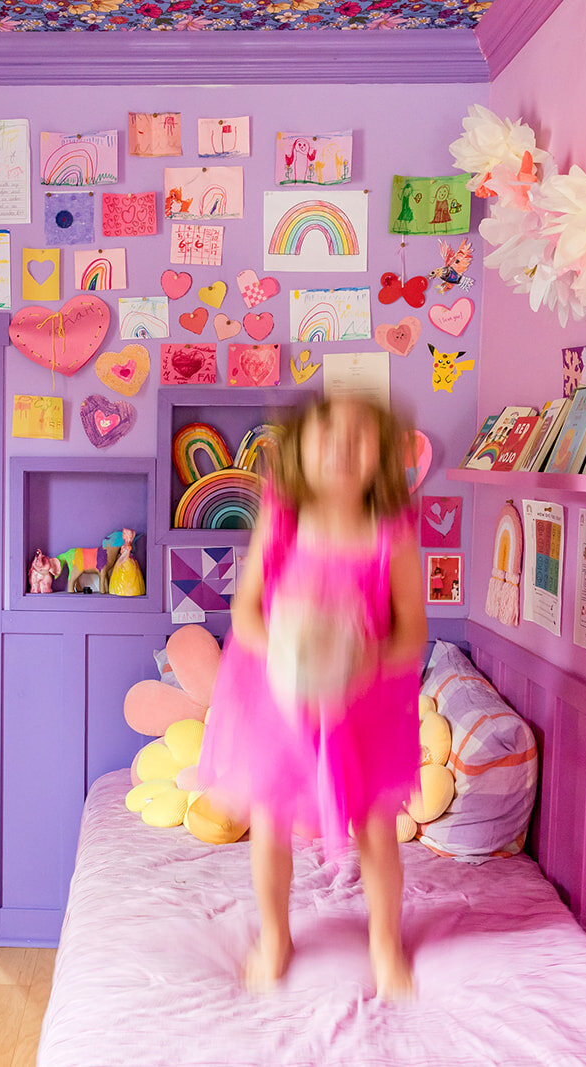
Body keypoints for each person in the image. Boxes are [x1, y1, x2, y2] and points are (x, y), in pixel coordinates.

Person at [199, 397, 426, 1000]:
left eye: (360, 436)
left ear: (383, 455)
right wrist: (283, 652)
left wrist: (361, 660)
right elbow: (245, 610)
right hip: (281, 703)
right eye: (327, 434)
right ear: (299, 449)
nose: (342, 446)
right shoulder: (285, 516)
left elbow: (412, 633)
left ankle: (384, 941)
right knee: (270, 821)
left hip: (363, 708)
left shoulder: (390, 534)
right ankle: (276, 935)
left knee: (377, 828)